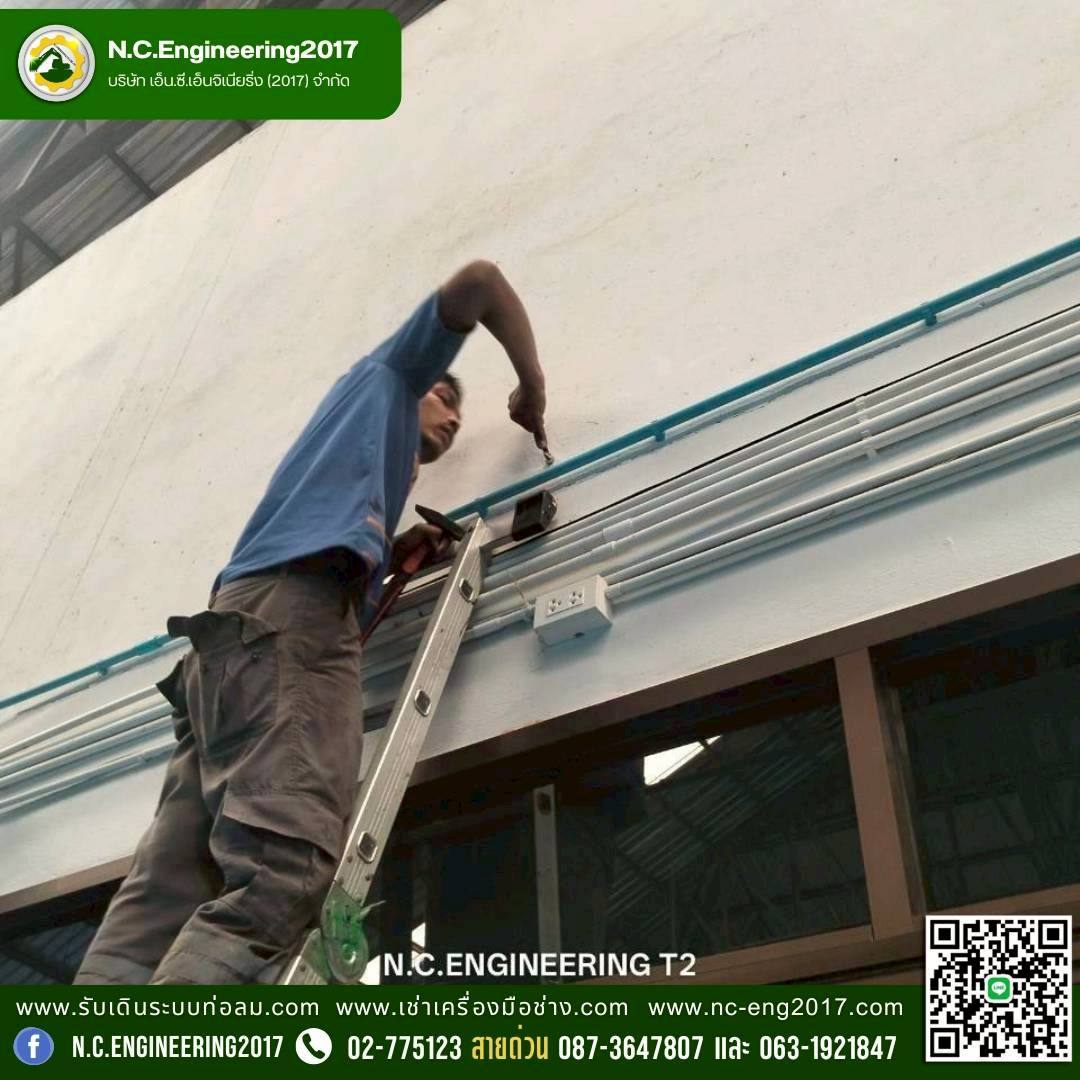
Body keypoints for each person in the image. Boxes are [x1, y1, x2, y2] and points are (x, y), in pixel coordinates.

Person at [74, 260, 548, 984]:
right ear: (419, 381)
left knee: (166, 889)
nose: (454, 418)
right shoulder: (388, 377)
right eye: (445, 397)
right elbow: (479, 282)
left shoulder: (343, 470)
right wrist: (532, 385)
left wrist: (387, 555)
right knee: (280, 877)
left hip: (226, 643)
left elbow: (312, 559)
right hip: (287, 625)